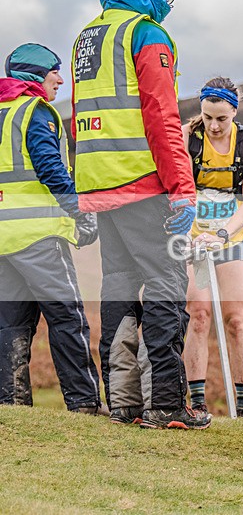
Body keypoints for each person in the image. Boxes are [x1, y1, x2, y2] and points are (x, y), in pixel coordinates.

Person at [71, 0, 210, 429]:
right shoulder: (146, 33)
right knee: (167, 284)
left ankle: (125, 403)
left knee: (118, 289)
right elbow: (162, 114)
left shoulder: (88, 36)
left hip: (100, 186)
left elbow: (83, 113)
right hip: (144, 183)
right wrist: (182, 189)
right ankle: (166, 404)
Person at [0, 43, 104, 414]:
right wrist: (81, 211)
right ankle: (84, 405)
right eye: (54, 71)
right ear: (35, 76)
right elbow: (51, 168)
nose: (60, 79)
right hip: (39, 235)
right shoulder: (35, 111)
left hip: (3, 240)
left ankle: (11, 405)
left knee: (10, 324)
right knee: (67, 317)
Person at [181, 77, 243, 418]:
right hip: (191, 239)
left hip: (233, 238)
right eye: (207, 117)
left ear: (234, 112)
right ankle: (198, 402)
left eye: (221, 118)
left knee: (235, 320)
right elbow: (178, 193)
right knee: (198, 315)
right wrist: (195, 235)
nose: (214, 126)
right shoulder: (189, 138)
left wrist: (222, 234)